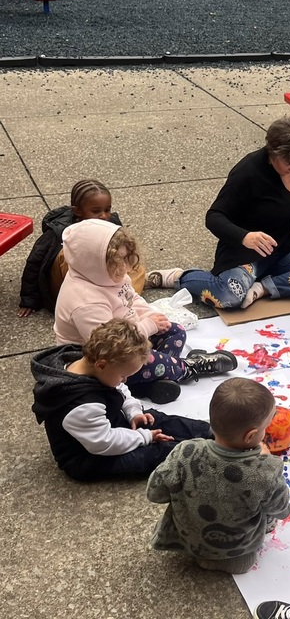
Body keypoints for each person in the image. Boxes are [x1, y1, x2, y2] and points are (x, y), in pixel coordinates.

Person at [146, 117, 290, 308]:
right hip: (249, 256)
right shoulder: (248, 171)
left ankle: (265, 288)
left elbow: (288, 207)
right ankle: (178, 277)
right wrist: (245, 237)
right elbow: (214, 217)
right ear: (274, 152)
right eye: (289, 163)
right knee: (228, 295)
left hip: (286, 252)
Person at [53, 218, 236, 403]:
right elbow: (110, 346)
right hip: (99, 360)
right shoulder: (85, 302)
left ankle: (149, 381)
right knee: (148, 360)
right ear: (94, 264)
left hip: (129, 334)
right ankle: (187, 368)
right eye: (118, 262)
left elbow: (131, 298)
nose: (125, 267)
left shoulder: (109, 275)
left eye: (126, 259)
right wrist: (148, 326)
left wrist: (150, 315)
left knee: (175, 331)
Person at [31, 319, 211, 482]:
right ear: (101, 365)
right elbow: (105, 442)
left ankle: (213, 432)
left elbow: (120, 389)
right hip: (91, 456)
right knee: (157, 453)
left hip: (109, 424)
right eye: (124, 375)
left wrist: (134, 411)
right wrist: (145, 436)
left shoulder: (90, 365)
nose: (124, 381)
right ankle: (203, 454)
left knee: (156, 418)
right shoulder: (80, 405)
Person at [146, 377, 290, 574]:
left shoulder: (185, 451)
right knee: (266, 507)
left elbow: (155, 494)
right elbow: (282, 510)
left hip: (188, 545)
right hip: (239, 557)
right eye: (266, 427)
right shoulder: (265, 472)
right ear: (251, 436)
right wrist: (263, 462)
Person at [17, 178, 147, 317]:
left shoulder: (111, 223)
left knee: (136, 267)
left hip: (106, 282)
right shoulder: (59, 231)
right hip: (73, 288)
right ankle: (112, 300)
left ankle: (122, 299)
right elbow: (34, 262)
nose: (103, 216)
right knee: (67, 253)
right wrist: (29, 301)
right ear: (77, 211)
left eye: (107, 209)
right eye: (96, 211)